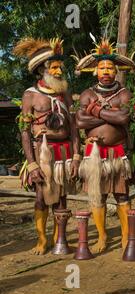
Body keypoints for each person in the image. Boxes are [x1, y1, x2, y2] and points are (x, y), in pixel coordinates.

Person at [14, 37, 80, 255]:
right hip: (42, 153)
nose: (59, 71)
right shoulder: (30, 95)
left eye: (60, 67)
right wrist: (31, 164)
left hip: (65, 151)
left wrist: (77, 155)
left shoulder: (65, 94)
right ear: (43, 69)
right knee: (42, 196)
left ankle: (59, 238)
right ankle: (42, 239)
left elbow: (74, 128)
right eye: (54, 67)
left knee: (61, 196)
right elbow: (24, 131)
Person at [75, 37, 135, 253]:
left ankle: (126, 236)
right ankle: (101, 236)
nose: (106, 71)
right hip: (94, 154)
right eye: (102, 67)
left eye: (110, 67)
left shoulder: (124, 93)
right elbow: (80, 122)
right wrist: (110, 115)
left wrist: (97, 111)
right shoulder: (87, 94)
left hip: (118, 154)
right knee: (97, 195)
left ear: (116, 70)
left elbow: (124, 119)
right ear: (95, 70)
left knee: (122, 195)